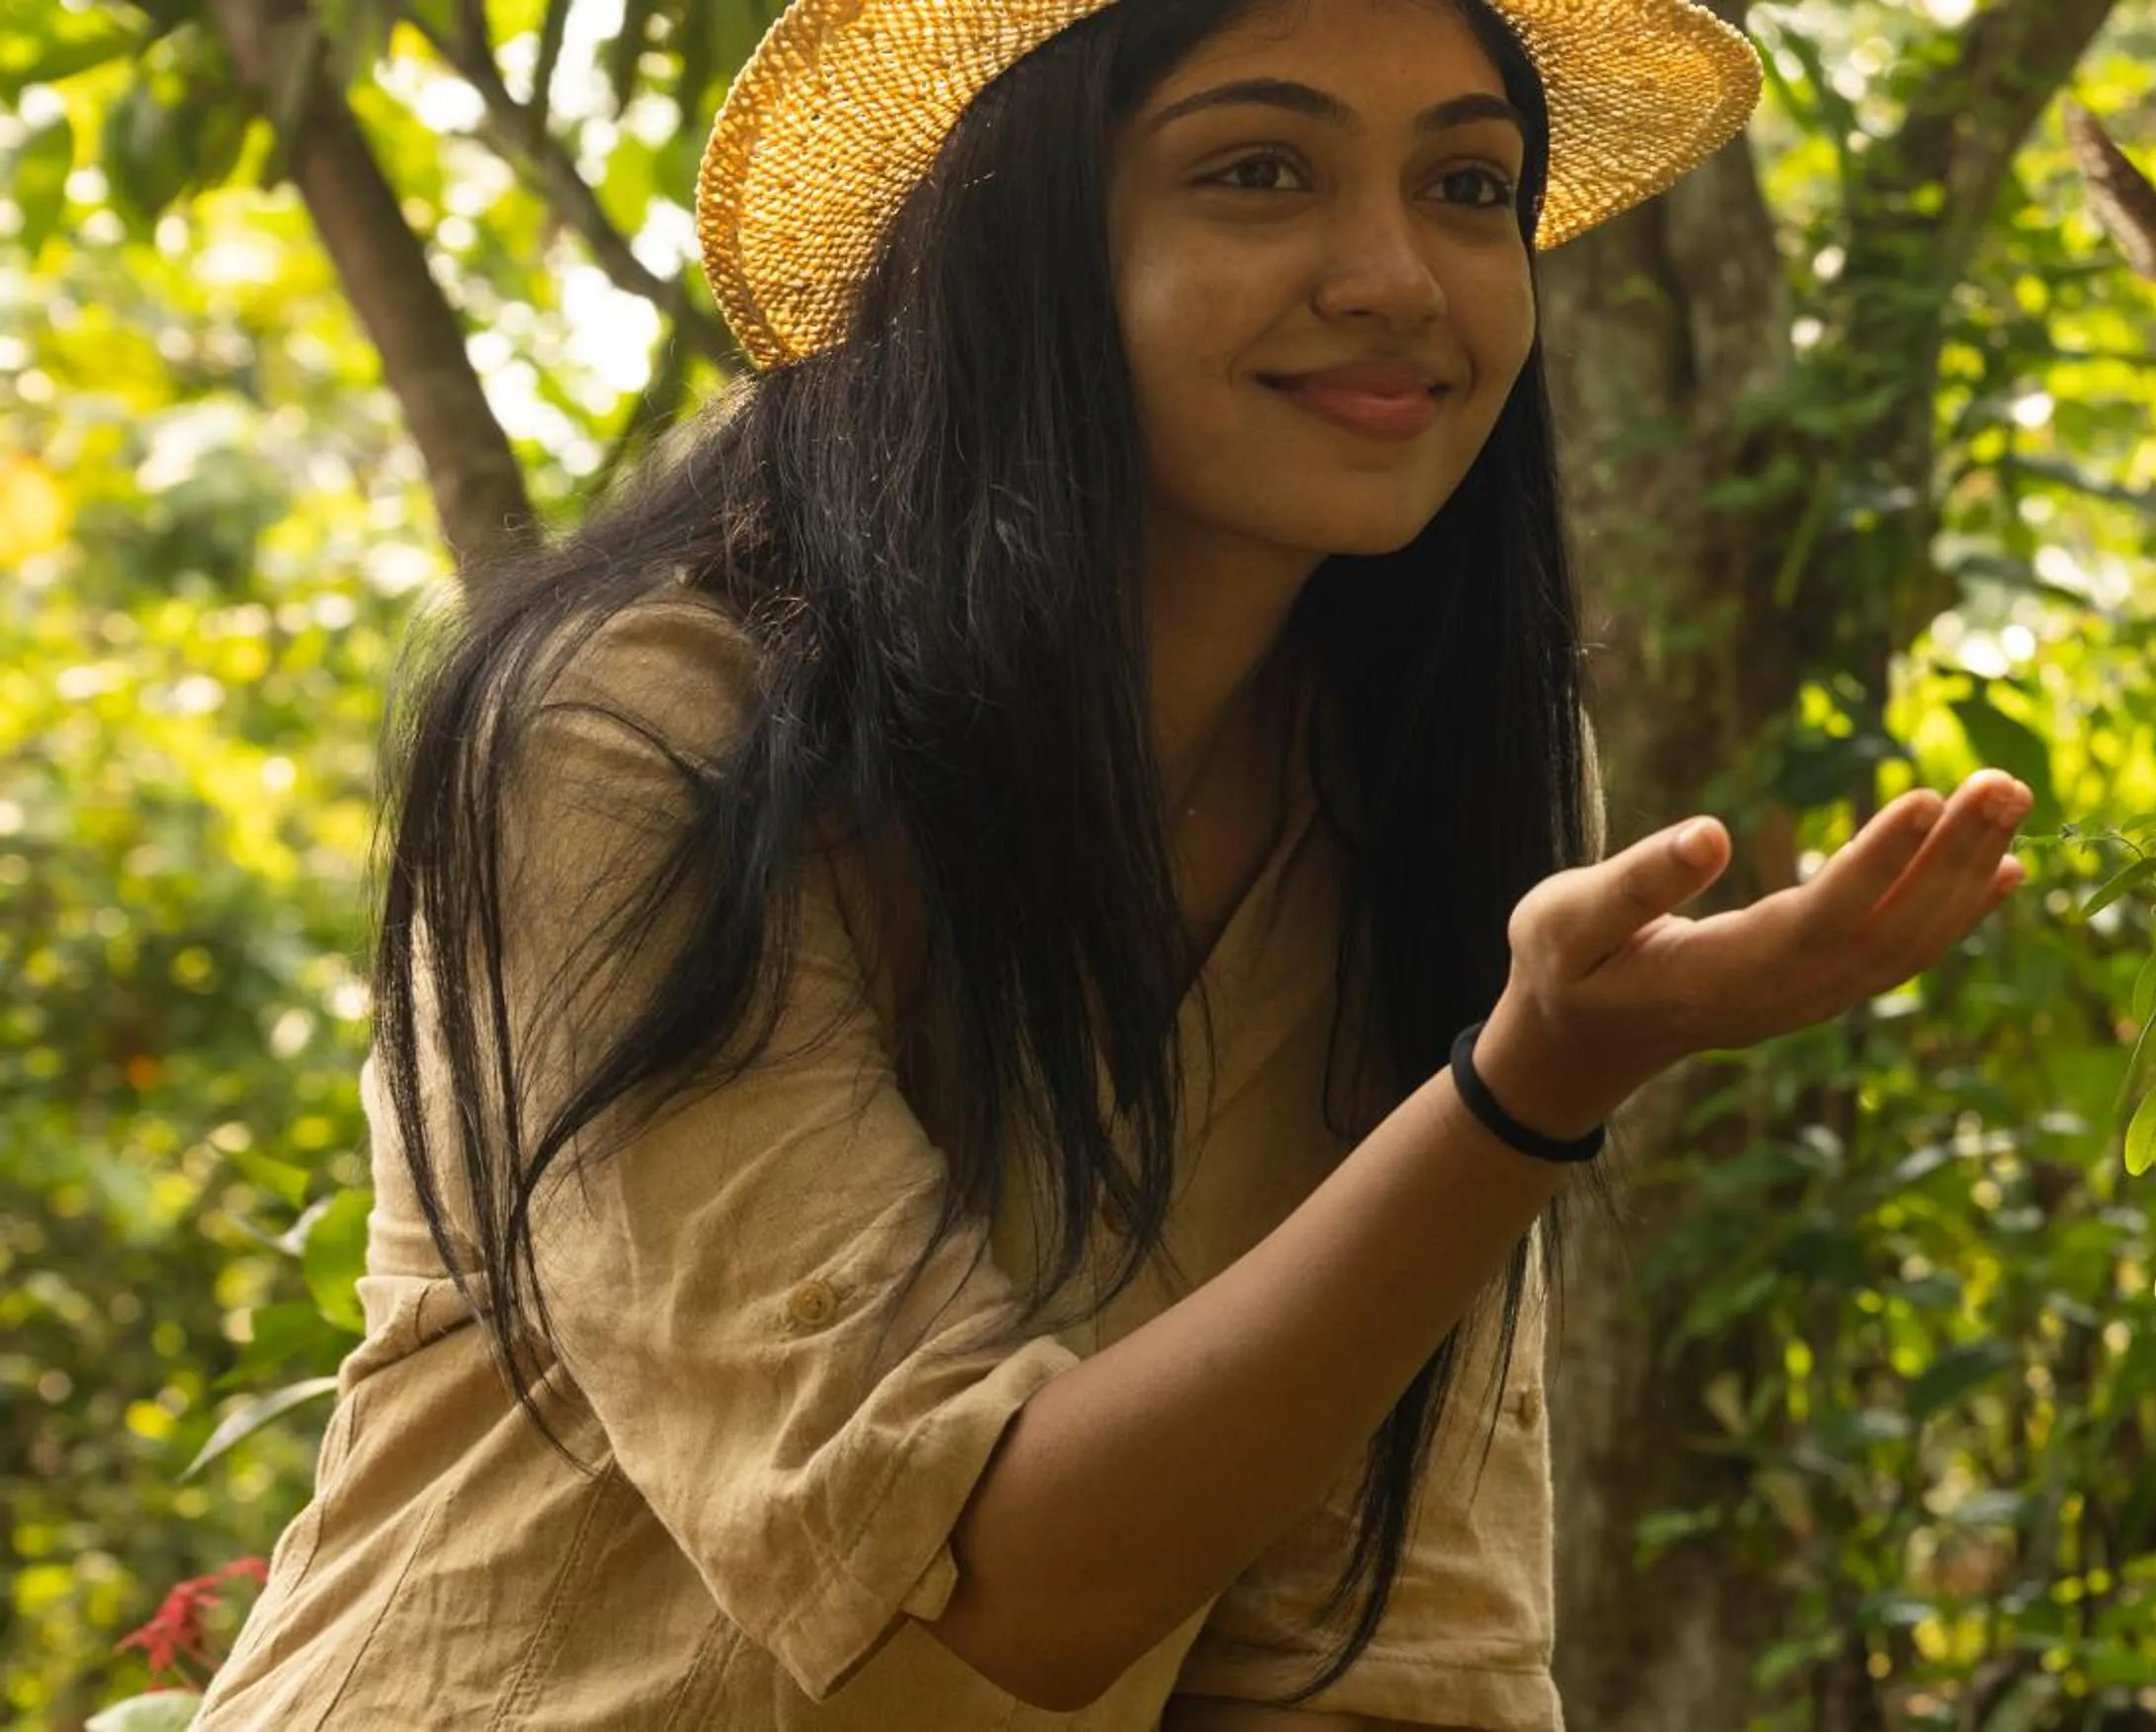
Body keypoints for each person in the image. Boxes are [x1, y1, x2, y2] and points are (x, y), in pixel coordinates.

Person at [191, 0, 2035, 1723]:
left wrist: (1519, 1079)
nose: (1400, 276)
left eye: (1470, 185)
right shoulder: (629, 728)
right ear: (1016, 231)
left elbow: (1394, 1644)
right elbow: (978, 1572)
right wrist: (1525, 1090)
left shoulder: (1442, 765)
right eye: (1260, 171)